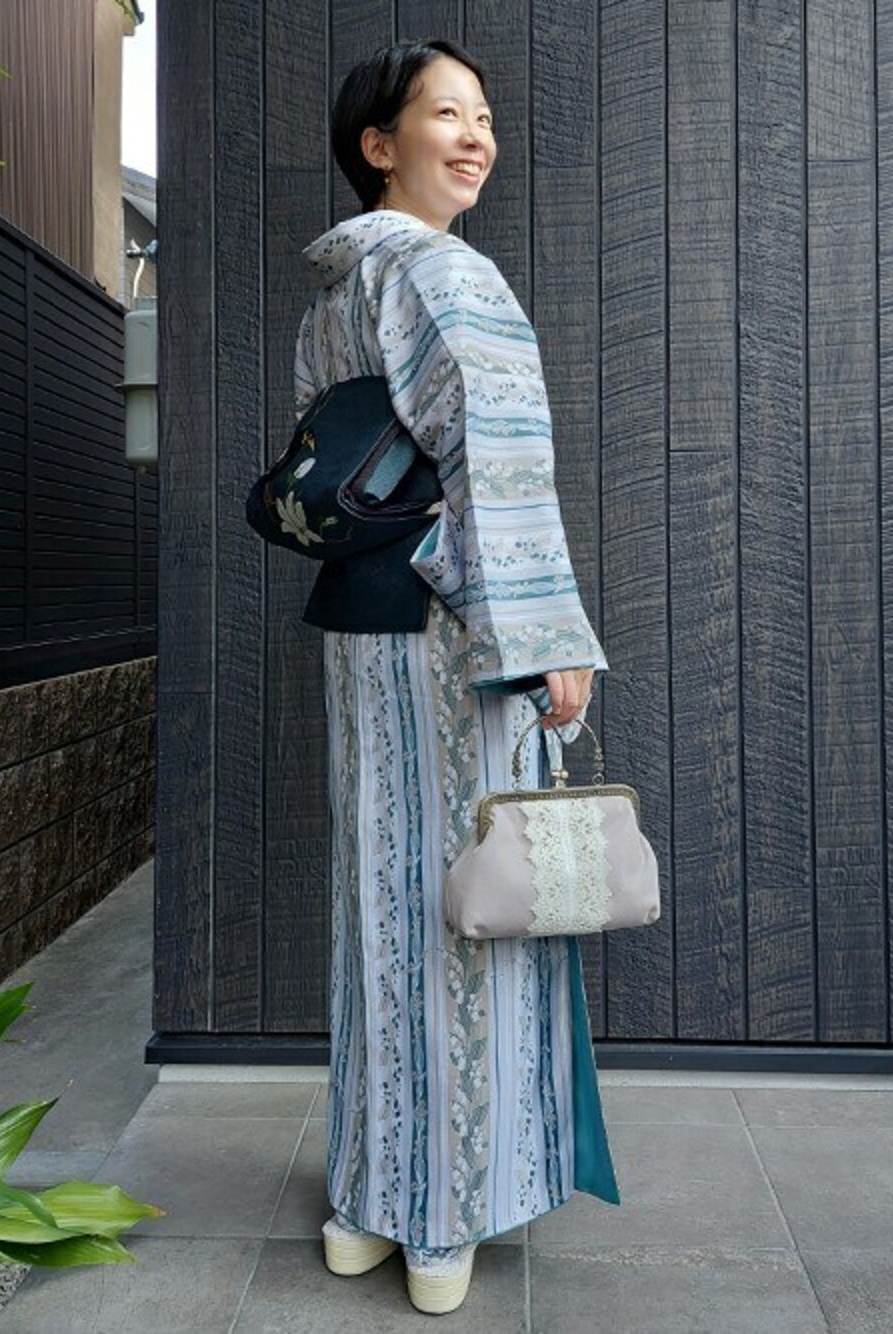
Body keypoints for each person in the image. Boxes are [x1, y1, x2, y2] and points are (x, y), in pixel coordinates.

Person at [296, 37, 620, 1316]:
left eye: (482, 115)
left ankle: (365, 1200)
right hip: (456, 632)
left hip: (361, 625)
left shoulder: (339, 284)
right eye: (446, 114)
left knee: (381, 901)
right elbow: (496, 463)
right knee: (468, 909)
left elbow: (328, 466)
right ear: (380, 146)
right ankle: (441, 1214)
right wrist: (547, 637)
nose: (476, 136)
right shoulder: (444, 271)